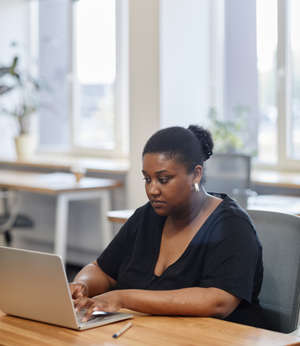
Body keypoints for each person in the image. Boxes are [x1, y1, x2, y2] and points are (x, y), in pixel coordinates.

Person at [70, 125, 264, 327]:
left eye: (164, 179)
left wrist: (123, 298)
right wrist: (82, 284)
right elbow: (101, 270)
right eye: (147, 179)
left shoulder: (232, 226)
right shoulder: (147, 216)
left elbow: (218, 302)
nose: (153, 190)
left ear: (196, 174)